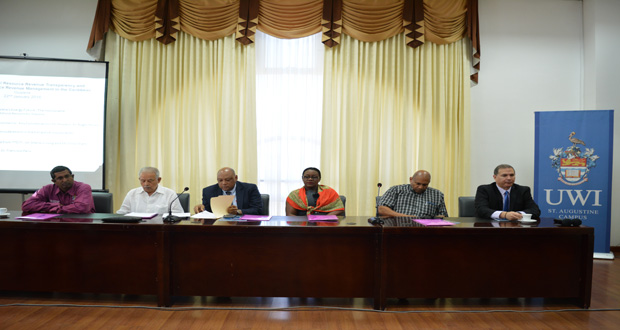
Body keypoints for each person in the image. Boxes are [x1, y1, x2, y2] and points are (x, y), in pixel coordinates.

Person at [474, 164, 541, 220]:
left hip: (516, 227)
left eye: (512, 175)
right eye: (504, 175)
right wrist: (504, 214)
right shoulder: (484, 190)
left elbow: (535, 210)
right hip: (489, 227)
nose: (509, 178)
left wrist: (517, 214)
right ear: (495, 177)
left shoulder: (523, 190)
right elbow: (481, 210)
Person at [22, 165, 96, 214]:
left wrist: (57, 209)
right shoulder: (47, 189)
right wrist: (53, 205)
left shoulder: (83, 187)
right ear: (54, 181)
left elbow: (82, 208)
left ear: (72, 176)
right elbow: (27, 205)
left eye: (67, 176)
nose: (65, 180)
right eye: (60, 178)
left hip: (82, 224)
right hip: (57, 223)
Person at [378, 170, 448, 218]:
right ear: (411, 179)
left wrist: (432, 219)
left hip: (426, 230)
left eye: (424, 185)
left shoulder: (437, 195)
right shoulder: (396, 190)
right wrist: (406, 217)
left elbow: (443, 215)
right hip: (399, 227)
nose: (420, 187)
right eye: (418, 184)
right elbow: (382, 209)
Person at [193, 167, 263, 215]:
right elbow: (207, 211)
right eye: (220, 180)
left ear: (235, 178)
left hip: (244, 226)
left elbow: (257, 209)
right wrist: (201, 208)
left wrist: (238, 211)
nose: (224, 183)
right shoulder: (208, 191)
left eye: (227, 180)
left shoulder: (249, 189)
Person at [116, 167, 184, 214]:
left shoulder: (169, 194)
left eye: (150, 181)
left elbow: (178, 214)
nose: (146, 184)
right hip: (136, 230)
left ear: (159, 180)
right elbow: (122, 213)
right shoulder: (132, 193)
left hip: (161, 230)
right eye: (143, 181)